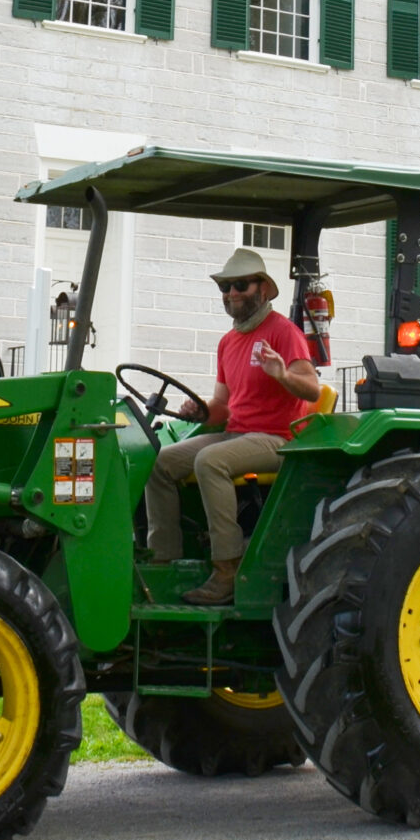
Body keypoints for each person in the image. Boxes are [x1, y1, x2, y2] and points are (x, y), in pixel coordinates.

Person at [143, 246, 322, 605]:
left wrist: (283, 373)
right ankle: (163, 558)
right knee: (158, 461)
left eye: (240, 285)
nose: (231, 294)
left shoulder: (283, 332)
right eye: (225, 288)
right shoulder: (228, 342)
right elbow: (222, 408)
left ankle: (227, 568)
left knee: (211, 461)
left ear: (263, 289)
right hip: (237, 433)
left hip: (278, 439)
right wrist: (199, 412)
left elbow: (312, 387)